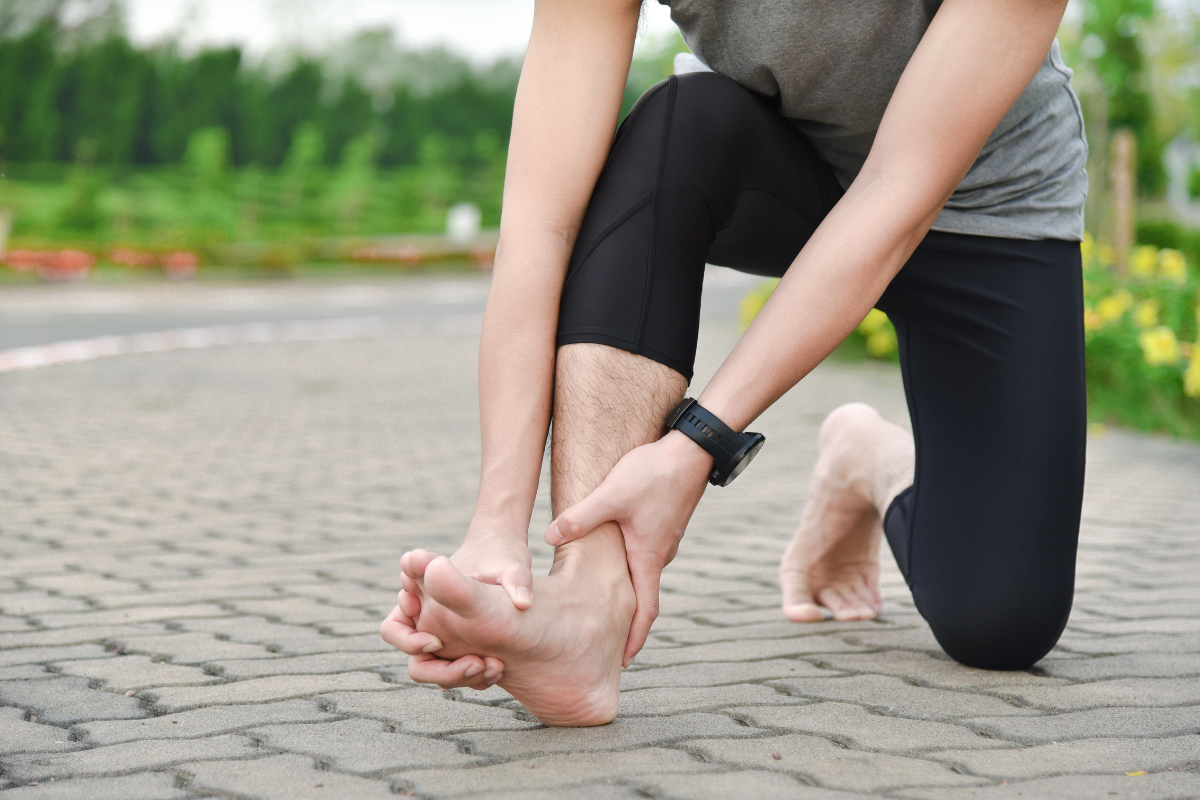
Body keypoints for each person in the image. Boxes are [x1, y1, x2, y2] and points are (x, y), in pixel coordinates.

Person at [381, 0, 1088, 727]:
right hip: (789, 168)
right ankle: (586, 610)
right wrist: (494, 528)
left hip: (985, 209)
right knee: (678, 129)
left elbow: (897, 194)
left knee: (1001, 621)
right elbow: (540, 224)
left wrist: (696, 445)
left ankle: (867, 457)